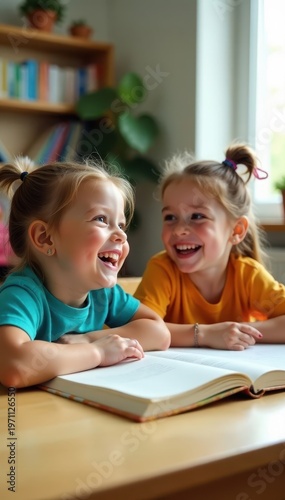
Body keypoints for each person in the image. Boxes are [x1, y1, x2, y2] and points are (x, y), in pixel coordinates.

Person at [0, 157, 170, 388]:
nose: (122, 235)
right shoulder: (22, 295)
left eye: (121, 224)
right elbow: (14, 365)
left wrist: (88, 339)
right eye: (101, 219)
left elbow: (158, 332)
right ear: (45, 237)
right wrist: (97, 352)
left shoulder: (102, 293)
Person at [134, 142, 285, 350]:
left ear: (236, 231)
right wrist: (206, 334)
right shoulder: (162, 270)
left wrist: (235, 331)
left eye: (197, 216)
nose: (179, 230)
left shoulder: (248, 275)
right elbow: (138, 330)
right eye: (170, 217)